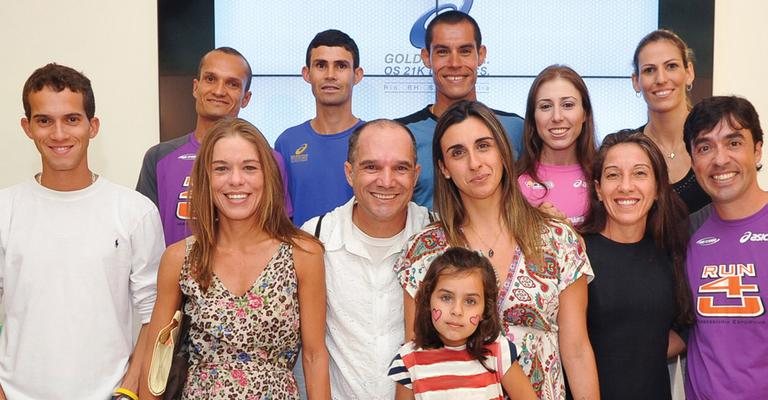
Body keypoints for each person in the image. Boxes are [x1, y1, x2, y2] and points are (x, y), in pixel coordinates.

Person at [394, 100, 599, 400]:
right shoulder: (424, 251)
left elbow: (577, 350)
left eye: (483, 146)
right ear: (444, 168)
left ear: (503, 151)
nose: (474, 163)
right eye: (457, 153)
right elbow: (416, 358)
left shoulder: (558, 240)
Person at [0, 63, 164, 400]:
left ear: (93, 126)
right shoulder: (5, 209)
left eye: (72, 119)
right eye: (44, 120)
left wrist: (131, 384)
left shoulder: (135, 211)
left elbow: (154, 314)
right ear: (27, 127)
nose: (59, 134)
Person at [138, 118, 329, 399]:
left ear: (268, 176)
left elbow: (314, 357)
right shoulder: (180, 258)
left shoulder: (304, 254)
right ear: (206, 178)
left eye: (249, 168)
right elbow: (156, 361)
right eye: (221, 169)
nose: (236, 180)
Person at [301, 119, 432, 399]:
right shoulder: (315, 238)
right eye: (371, 167)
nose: (386, 181)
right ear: (349, 173)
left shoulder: (438, 237)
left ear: (416, 174)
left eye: (400, 168)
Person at [578, 130, 693, 399]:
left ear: (657, 189)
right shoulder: (577, 251)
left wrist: (640, 349)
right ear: (597, 188)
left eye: (640, 173)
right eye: (613, 175)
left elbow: (685, 328)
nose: (625, 186)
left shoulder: (671, 251)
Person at [136, 46, 292, 245]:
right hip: (173, 274)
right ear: (195, 87)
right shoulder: (159, 157)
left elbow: (278, 234)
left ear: (246, 98)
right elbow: (143, 237)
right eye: (210, 79)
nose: (219, 91)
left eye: (232, 84)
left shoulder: (270, 160)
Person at [682, 96, 768, 399]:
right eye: (705, 147)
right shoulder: (686, 233)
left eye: (733, 143)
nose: (720, 160)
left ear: (757, 150)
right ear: (693, 161)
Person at [396, 10, 524, 209]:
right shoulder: (402, 134)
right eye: (442, 52)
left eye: (465, 51)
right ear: (426, 57)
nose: (454, 63)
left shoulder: (515, 129)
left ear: (481, 55)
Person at [389, 248, 537, 400]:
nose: (457, 311)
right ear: (427, 300)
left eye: (470, 301)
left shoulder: (499, 352)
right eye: (446, 297)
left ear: (485, 310)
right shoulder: (408, 360)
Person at [275, 29, 364, 226]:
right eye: (321, 65)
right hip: (301, 254)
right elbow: (279, 217)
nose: (330, 75)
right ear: (307, 74)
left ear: (357, 75)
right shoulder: (287, 142)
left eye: (341, 66)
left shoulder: (374, 139)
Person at [631, 29, 710, 213]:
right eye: (649, 70)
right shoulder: (626, 148)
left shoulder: (715, 143)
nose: (661, 79)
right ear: (636, 81)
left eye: (671, 66)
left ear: (689, 72)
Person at [517, 65, 597, 225]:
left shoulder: (605, 176)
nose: (557, 117)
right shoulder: (512, 183)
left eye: (568, 105)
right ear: (533, 117)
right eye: (546, 106)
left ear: (585, 114)